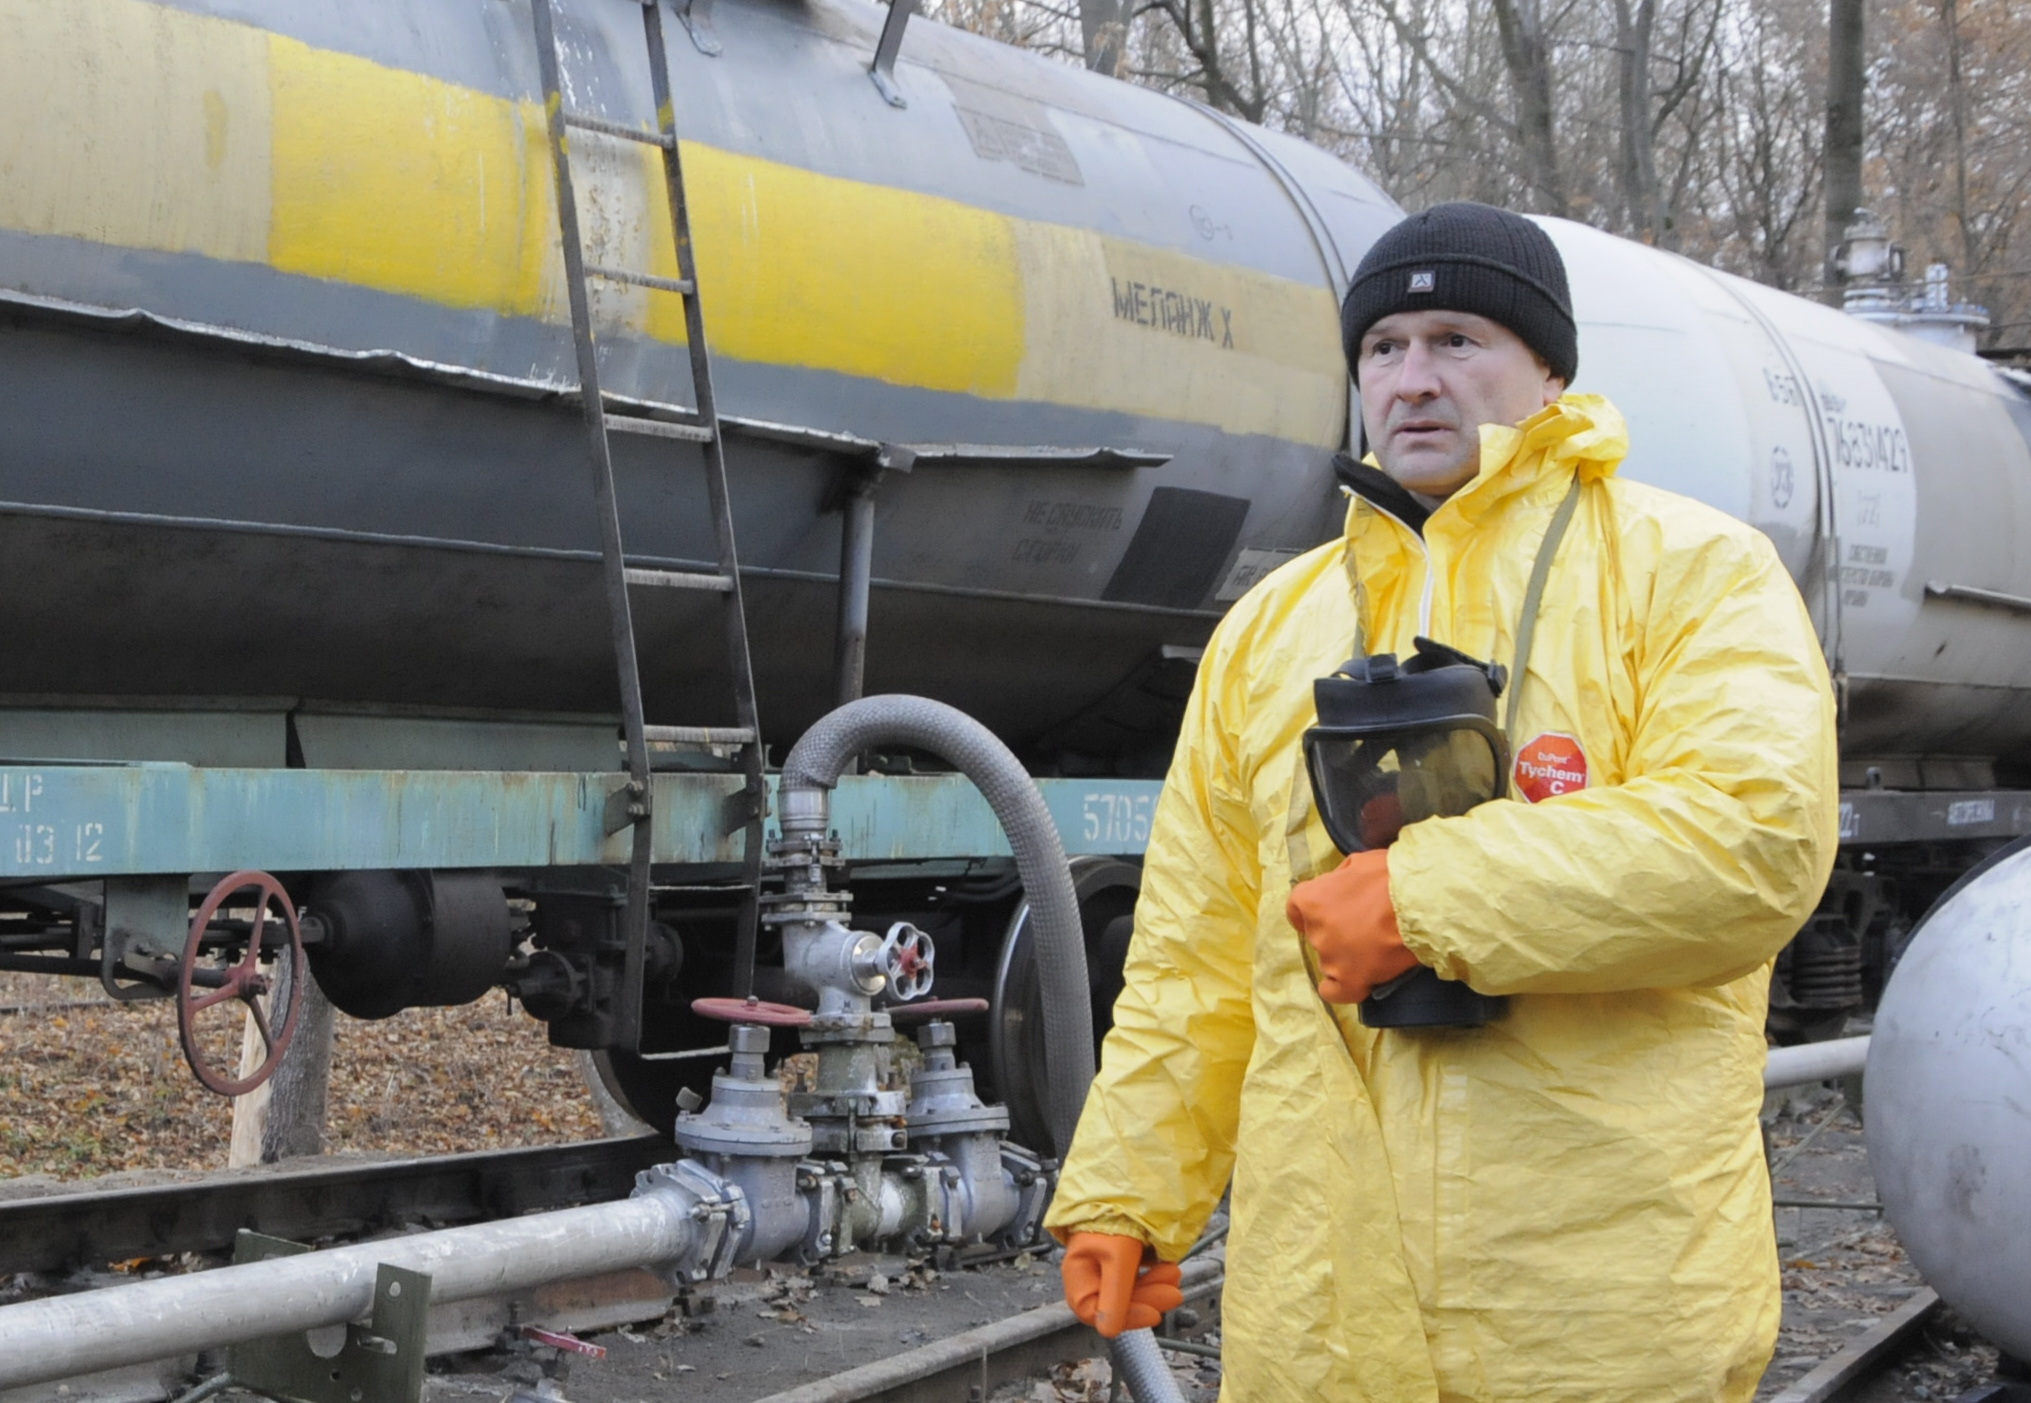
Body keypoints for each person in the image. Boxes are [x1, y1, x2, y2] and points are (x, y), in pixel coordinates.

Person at [1046, 202, 1840, 1400]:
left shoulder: (1692, 571)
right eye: (1384, 347)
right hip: (1324, 1319)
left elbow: (1753, 841)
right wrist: (1130, 1188)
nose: (1414, 380)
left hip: (1591, 1316)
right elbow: (1193, 957)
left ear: (1549, 368)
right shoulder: (1269, 630)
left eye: (1458, 339)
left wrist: (1420, 895)